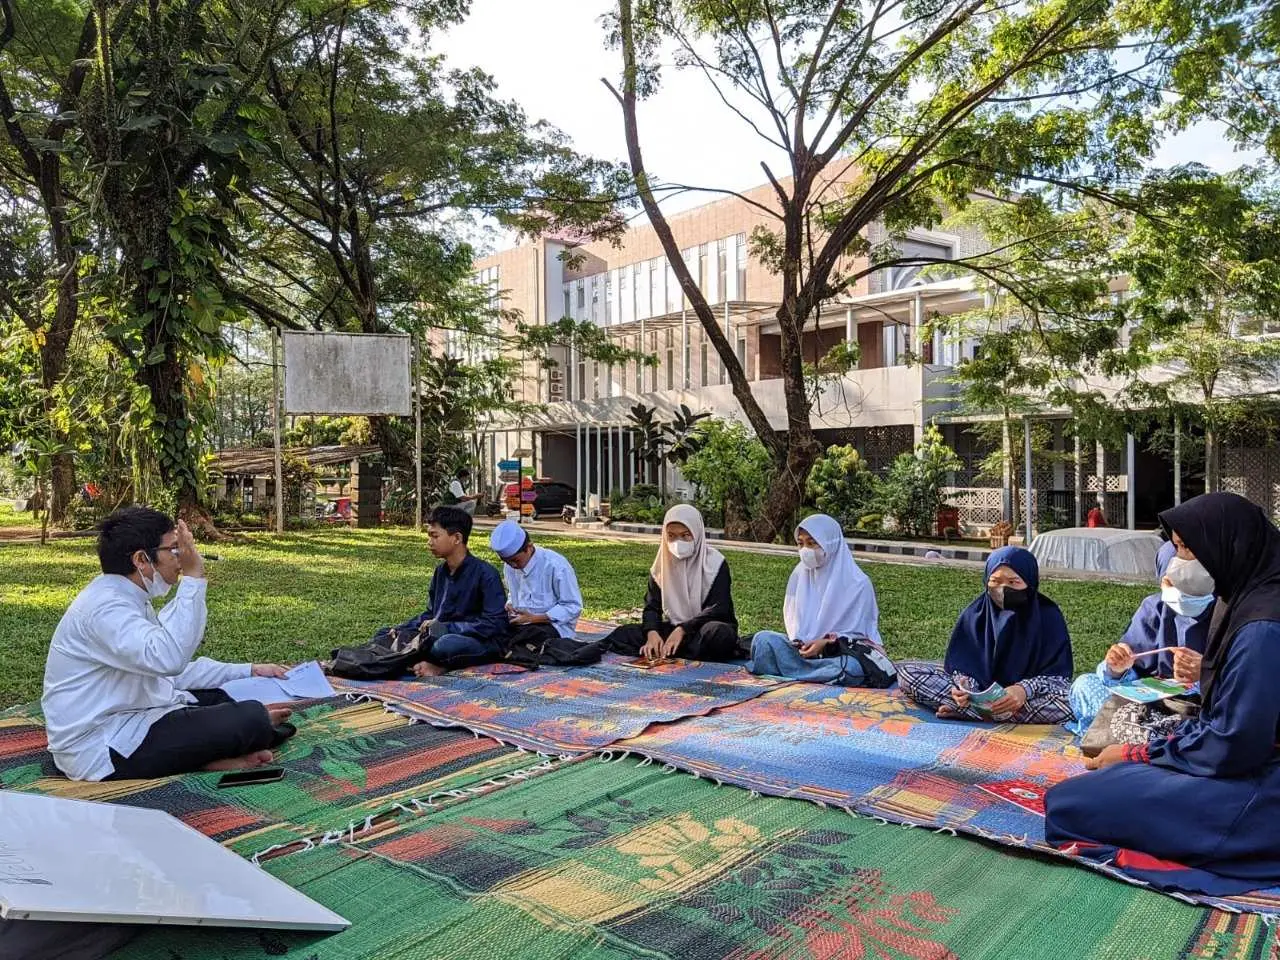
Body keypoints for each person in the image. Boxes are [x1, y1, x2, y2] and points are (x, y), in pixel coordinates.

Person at [1045, 493, 1280, 896]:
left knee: (1071, 804)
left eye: (1186, 548)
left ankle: (1183, 857)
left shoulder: (1262, 628)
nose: (1178, 561)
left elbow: (1233, 744)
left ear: (1226, 545)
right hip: (1235, 761)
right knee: (1109, 777)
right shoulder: (1243, 598)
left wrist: (1139, 753)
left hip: (1258, 789)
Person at [41, 507, 292, 782]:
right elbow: (168, 660)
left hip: (137, 713)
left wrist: (248, 669)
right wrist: (194, 578)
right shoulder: (105, 609)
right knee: (251, 718)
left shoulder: (127, 597)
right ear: (141, 559)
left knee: (224, 697)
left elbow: (169, 672)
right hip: (102, 745)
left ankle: (211, 752)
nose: (181, 560)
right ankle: (212, 753)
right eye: (174, 551)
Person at [897, 546, 1073, 723]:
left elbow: (1059, 680)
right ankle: (983, 711)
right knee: (907, 674)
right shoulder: (975, 614)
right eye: (995, 581)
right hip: (979, 697)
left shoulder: (1048, 616)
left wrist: (1022, 690)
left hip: (1028, 699)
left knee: (1074, 702)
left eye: (1013, 582)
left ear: (1030, 582)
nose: (1003, 590)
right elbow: (962, 668)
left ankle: (973, 713)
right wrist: (963, 689)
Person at [1067, 540, 1213, 734]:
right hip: (1148, 708)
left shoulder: (1228, 612)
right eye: (1172, 582)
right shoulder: (1154, 608)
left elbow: (1246, 682)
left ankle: (1134, 736)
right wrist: (1117, 668)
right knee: (1085, 684)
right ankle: (1151, 736)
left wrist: (1207, 671)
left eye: (1190, 583)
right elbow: (1128, 675)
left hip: (1200, 708)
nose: (1182, 590)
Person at [748, 514, 895, 686]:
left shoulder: (858, 583)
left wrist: (825, 643)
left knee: (851, 668)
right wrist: (802, 645)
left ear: (830, 544)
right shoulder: (798, 575)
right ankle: (805, 674)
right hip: (803, 652)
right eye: (800, 543)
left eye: (812, 543)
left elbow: (864, 638)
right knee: (763, 640)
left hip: (838, 654)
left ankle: (790, 672)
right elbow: (795, 629)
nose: (805, 550)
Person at [603, 504, 738, 661]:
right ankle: (671, 650)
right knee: (624, 634)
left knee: (719, 634)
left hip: (701, 629)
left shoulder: (715, 563)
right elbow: (652, 607)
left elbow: (718, 609)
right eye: (671, 536)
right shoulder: (662, 564)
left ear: (697, 533)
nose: (678, 542)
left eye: (685, 535)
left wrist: (683, 630)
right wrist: (652, 633)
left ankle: (672, 651)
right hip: (673, 629)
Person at [388, 505, 508, 677]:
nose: (429, 542)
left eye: (435, 536)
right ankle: (423, 662)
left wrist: (448, 628)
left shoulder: (485, 573)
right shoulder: (440, 572)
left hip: (479, 642)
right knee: (388, 634)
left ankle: (439, 667)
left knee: (445, 645)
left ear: (457, 538)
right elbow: (431, 613)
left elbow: (495, 624)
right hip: (440, 635)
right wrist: (403, 627)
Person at [489, 519, 583, 643]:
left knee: (522, 639)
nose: (512, 566)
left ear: (529, 547)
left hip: (554, 626)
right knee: (490, 630)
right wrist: (510, 605)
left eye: (515, 560)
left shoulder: (555, 565)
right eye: (507, 561)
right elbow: (514, 594)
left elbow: (572, 606)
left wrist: (533, 618)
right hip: (521, 623)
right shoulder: (509, 567)